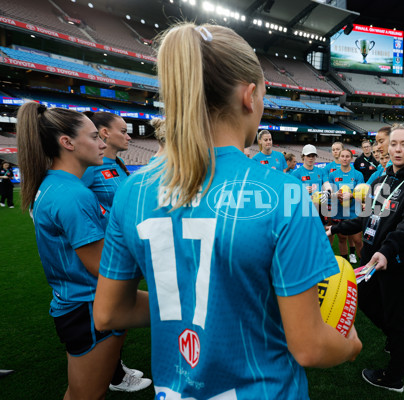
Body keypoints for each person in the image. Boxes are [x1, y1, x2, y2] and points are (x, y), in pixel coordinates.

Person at [92, 23, 361, 400]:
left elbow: (108, 313)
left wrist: (186, 304)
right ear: (250, 96)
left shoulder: (132, 191)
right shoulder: (284, 192)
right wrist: (351, 346)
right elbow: (311, 347)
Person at [16, 103, 128, 399]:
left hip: (77, 303)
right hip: (88, 305)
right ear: (67, 142)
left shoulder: (54, 184)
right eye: (94, 137)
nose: (102, 143)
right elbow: (105, 268)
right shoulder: (74, 195)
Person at [328, 124, 404, 393]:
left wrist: (387, 251)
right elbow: (365, 217)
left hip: (398, 265)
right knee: (363, 298)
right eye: (394, 144)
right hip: (371, 262)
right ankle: (394, 337)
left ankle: (393, 378)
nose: (398, 149)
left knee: (400, 320)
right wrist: (335, 228)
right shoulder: (383, 179)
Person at [81, 111, 151, 392]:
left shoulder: (118, 164)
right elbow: (78, 206)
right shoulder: (88, 169)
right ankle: (114, 376)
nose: (129, 135)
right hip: (104, 255)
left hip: (123, 252)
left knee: (120, 311)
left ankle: (115, 368)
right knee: (110, 312)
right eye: (123, 130)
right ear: (104, 133)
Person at [81, 112, 131, 216]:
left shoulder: (119, 162)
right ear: (105, 132)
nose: (128, 137)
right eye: (123, 132)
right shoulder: (89, 166)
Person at [328, 149, 365, 264]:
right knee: (342, 238)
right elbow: (330, 193)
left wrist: (352, 195)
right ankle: (345, 263)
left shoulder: (358, 174)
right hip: (339, 211)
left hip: (354, 211)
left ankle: (363, 263)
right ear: (339, 158)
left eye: (347, 156)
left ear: (351, 158)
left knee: (357, 240)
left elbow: (362, 194)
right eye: (342, 156)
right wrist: (335, 195)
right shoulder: (333, 175)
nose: (344, 158)